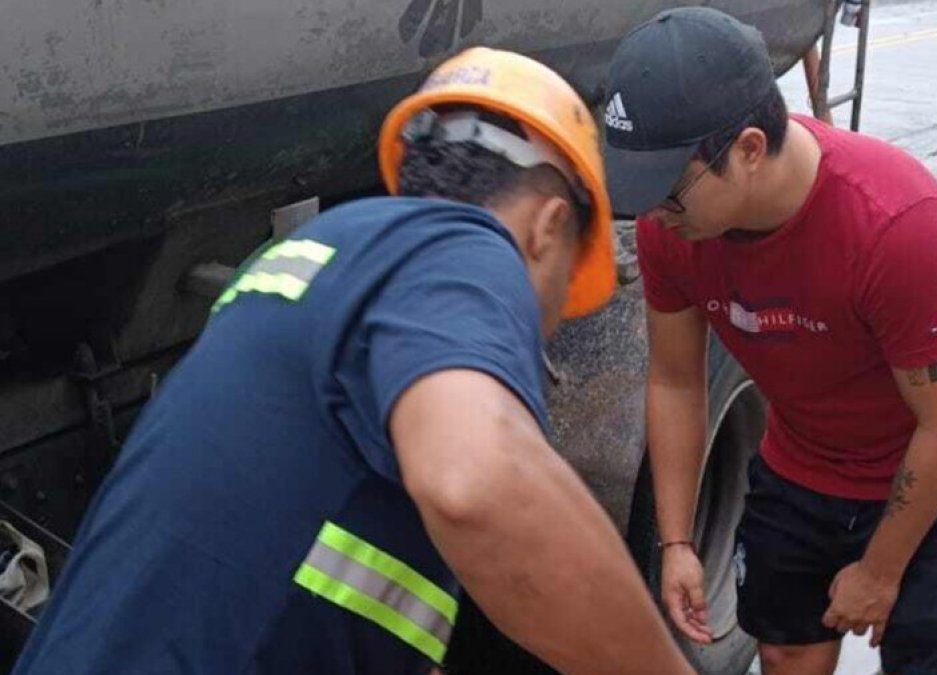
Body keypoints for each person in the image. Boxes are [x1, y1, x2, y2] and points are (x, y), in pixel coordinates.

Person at [12, 47, 695, 675]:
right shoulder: (461, 250)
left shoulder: (327, 262)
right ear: (549, 225)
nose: (540, 328)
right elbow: (480, 480)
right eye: (558, 295)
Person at [604, 8, 937, 675]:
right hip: (803, 459)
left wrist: (880, 568)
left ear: (750, 150)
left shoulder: (896, 226)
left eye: (669, 193)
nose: (656, 216)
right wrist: (676, 541)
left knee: (926, 662)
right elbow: (675, 380)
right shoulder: (672, 231)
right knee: (786, 649)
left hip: (928, 468)